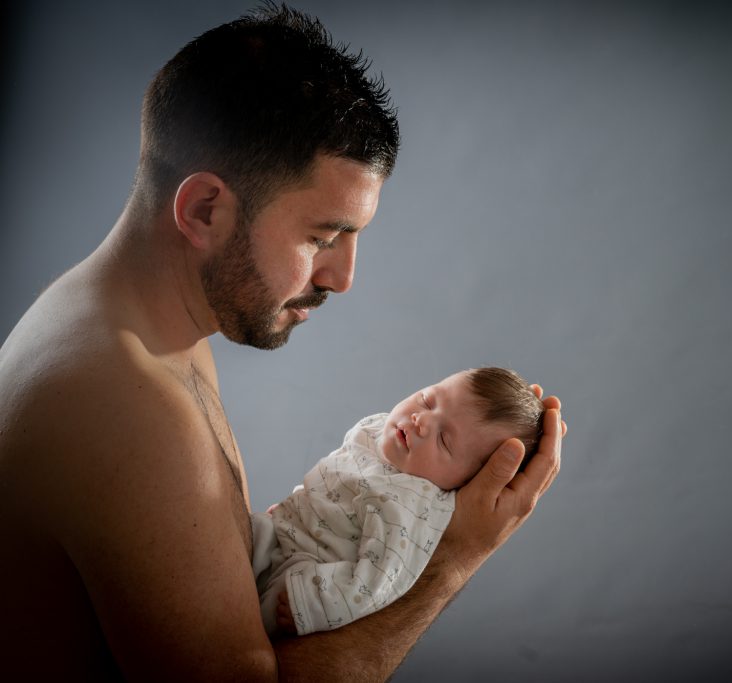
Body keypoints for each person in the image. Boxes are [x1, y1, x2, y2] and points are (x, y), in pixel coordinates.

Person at [0, 5, 564, 681]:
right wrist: (455, 558)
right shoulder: (124, 405)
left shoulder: (145, 331)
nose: (343, 277)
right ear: (205, 209)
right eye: (322, 238)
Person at [253, 367, 544, 638]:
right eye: (428, 400)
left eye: (444, 440)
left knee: (245, 631)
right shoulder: (378, 430)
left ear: (465, 484)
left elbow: (378, 581)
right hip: (280, 530)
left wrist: (315, 605)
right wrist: (293, 508)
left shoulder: (414, 508)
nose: (422, 420)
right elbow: (333, 477)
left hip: (309, 571)